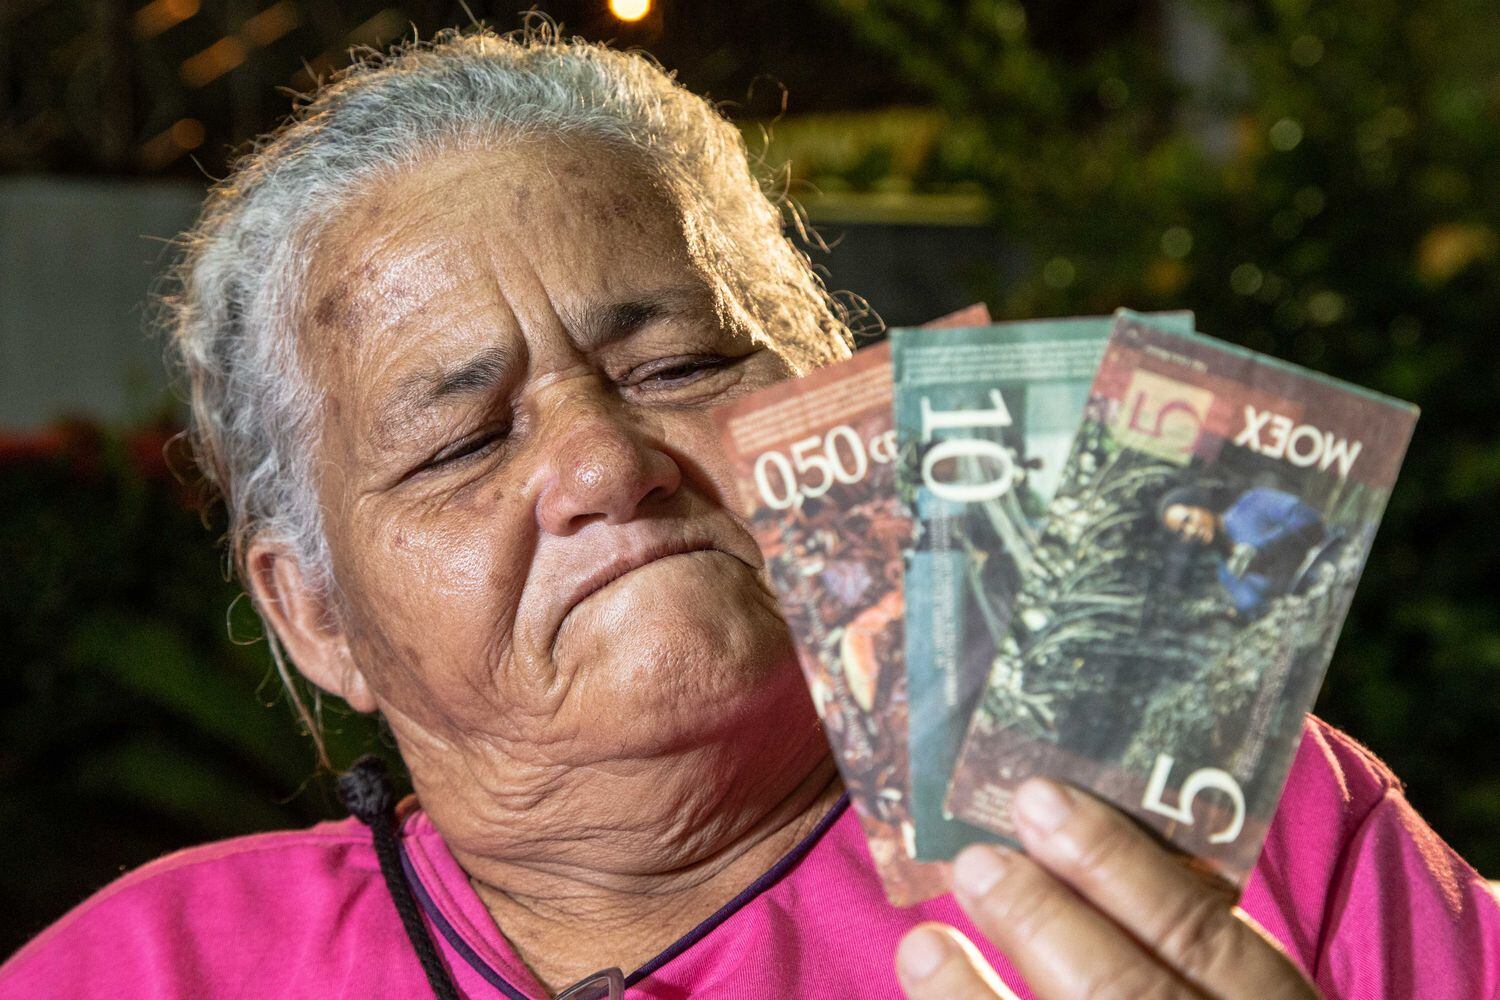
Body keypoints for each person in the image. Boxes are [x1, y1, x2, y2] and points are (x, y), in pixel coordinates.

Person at [3, 26, 1496, 1000]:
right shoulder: (144, 971)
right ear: (314, 611)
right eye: (460, 439)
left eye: (683, 362)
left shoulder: (1221, 824)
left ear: (844, 411)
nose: (604, 465)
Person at [1158, 484, 1330, 619]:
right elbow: (1263, 610)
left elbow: (1310, 519)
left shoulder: (1253, 503)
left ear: (1200, 505)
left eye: (1188, 519)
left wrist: (1262, 550)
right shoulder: (1226, 573)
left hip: (1332, 561)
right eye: (1181, 532)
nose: (1190, 531)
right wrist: (1232, 614)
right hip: (1317, 604)